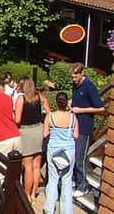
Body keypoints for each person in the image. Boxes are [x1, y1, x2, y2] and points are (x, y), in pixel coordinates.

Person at [70, 62, 106, 197]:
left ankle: (83, 186)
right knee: (73, 155)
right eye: (72, 77)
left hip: (84, 127)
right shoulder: (76, 85)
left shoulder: (89, 86)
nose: (73, 80)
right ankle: (76, 180)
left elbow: (101, 108)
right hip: (74, 125)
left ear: (82, 73)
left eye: (75, 77)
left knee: (80, 157)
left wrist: (81, 110)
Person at [14, 77, 50, 202]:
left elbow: (17, 119)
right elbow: (49, 112)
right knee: (37, 165)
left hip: (26, 131)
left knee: (28, 166)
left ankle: (26, 195)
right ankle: (34, 194)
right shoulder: (39, 96)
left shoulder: (21, 98)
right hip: (38, 129)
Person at [43, 92, 78, 214]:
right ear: (66, 102)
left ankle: (49, 208)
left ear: (56, 103)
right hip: (69, 150)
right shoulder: (73, 117)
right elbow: (76, 135)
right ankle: (66, 211)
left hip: (54, 149)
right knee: (67, 181)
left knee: (53, 180)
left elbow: (45, 134)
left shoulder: (50, 116)